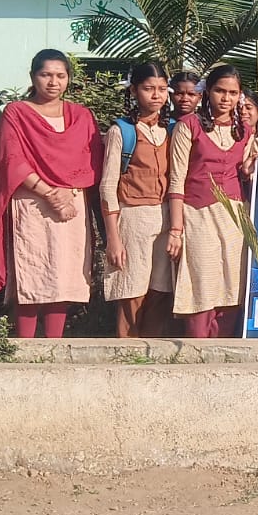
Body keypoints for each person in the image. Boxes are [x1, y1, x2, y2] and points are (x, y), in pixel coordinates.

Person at [0, 50, 102, 338]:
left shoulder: (81, 116)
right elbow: (12, 160)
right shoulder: (17, 113)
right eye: (45, 75)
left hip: (71, 203)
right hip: (31, 202)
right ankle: (25, 345)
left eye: (60, 76)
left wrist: (66, 193)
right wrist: (50, 193)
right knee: (31, 272)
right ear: (33, 76)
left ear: (68, 78)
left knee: (63, 274)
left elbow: (91, 160)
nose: (53, 82)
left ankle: (54, 345)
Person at [166, 64, 257, 338]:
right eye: (220, 91)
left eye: (232, 93)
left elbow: (245, 172)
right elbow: (176, 179)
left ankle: (223, 349)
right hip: (197, 213)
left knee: (231, 282)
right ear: (207, 91)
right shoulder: (188, 125)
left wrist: (251, 168)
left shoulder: (245, 131)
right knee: (201, 280)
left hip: (234, 216)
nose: (226, 98)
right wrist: (176, 229)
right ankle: (197, 348)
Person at [99, 63, 176, 338]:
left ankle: (152, 349)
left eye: (162, 89)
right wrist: (113, 238)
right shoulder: (122, 131)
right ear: (134, 91)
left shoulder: (173, 130)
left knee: (161, 289)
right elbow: (108, 186)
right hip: (133, 216)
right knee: (131, 289)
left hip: (166, 215)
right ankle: (126, 349)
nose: (156, 95)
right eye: (148, 88)